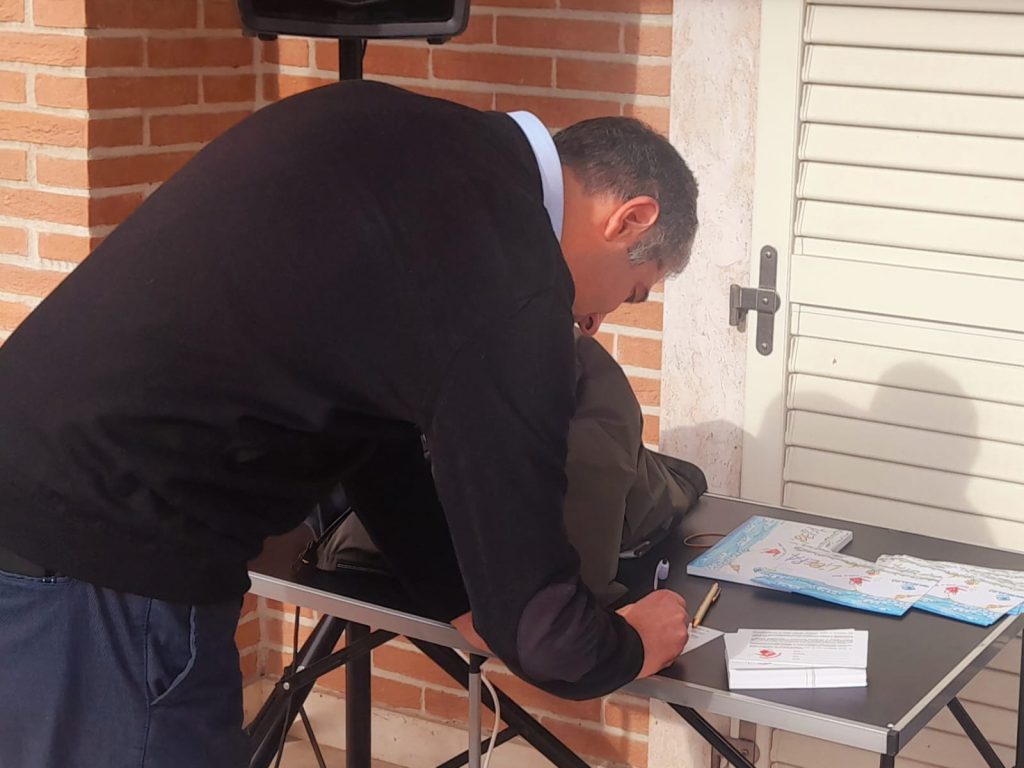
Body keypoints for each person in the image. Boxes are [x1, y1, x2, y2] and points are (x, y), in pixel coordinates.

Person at [0, 80, 698, 767]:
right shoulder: (514, 280)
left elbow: (374, 427)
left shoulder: (394, 133)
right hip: (108, 565)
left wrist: (456, 597)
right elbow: (546, 636)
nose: (594, 322)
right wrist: (633, 643)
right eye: (632, 293)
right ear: (630, 219)